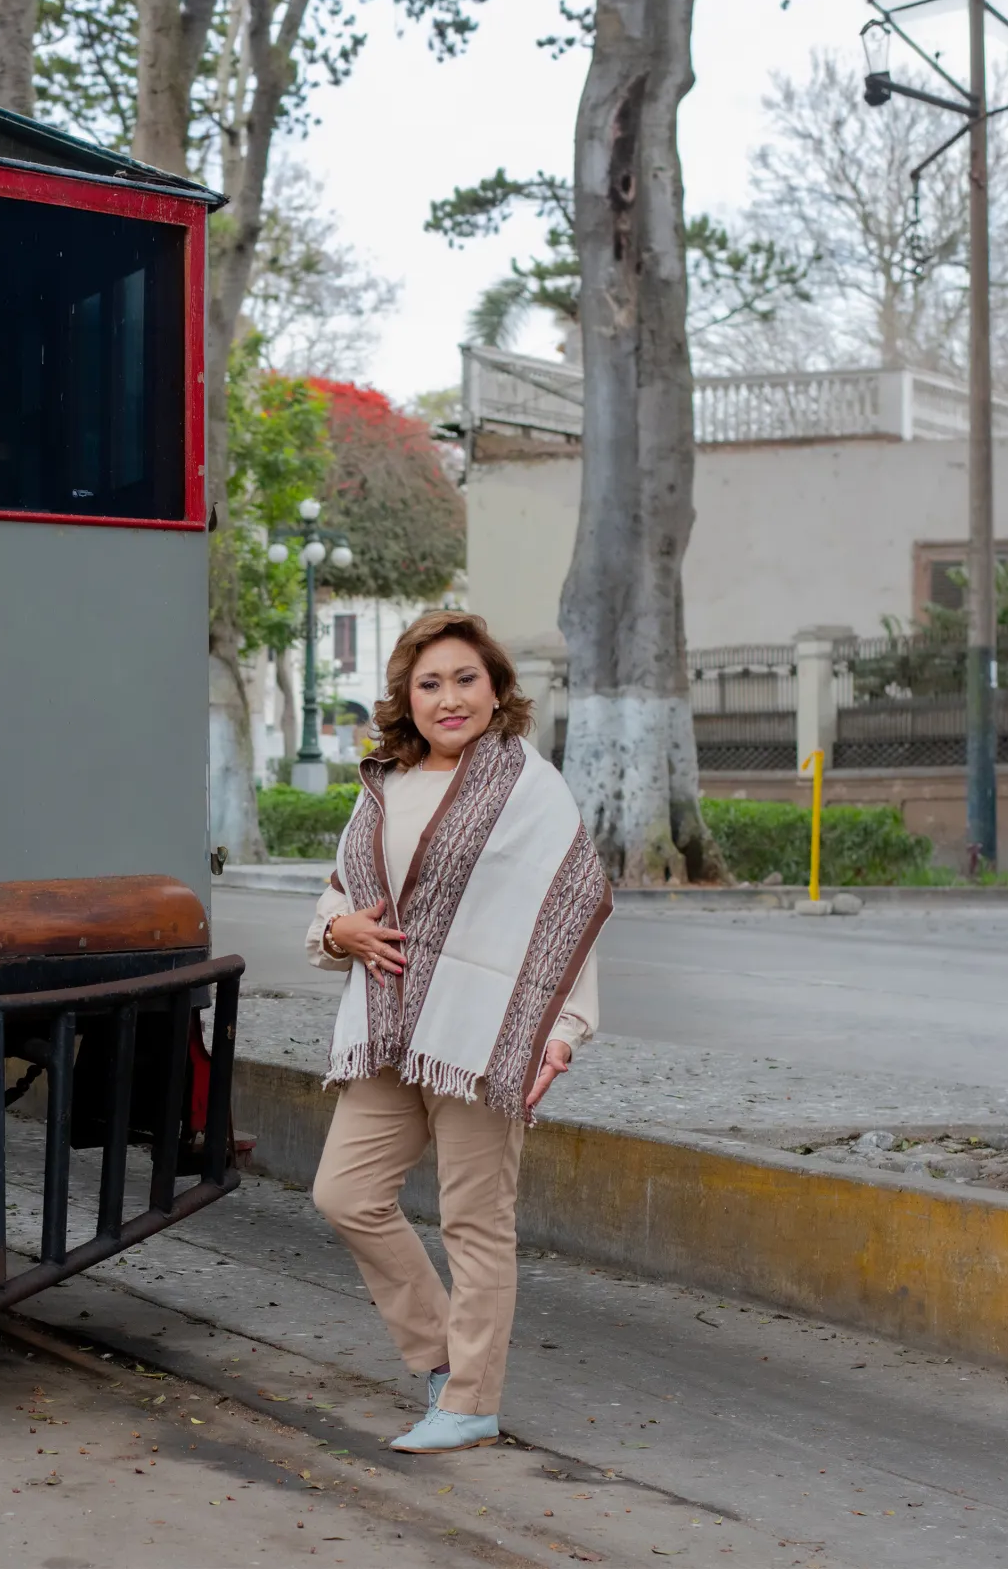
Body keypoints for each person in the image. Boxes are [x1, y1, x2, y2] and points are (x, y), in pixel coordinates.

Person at [308, 608, 610, 1455]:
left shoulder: (530, 789)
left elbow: (566, 911)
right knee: (345, 1193)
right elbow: (339, 894)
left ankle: (472, 1401)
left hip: (482, 1033)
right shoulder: (385, 784)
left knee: (476, 1220)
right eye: (430, 683)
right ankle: (445, 1359)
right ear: (407, 696)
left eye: (465, 680)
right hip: (390, 1024)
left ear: (495, 688)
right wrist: (341, 933)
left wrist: (565, 1032)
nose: (450, 698)